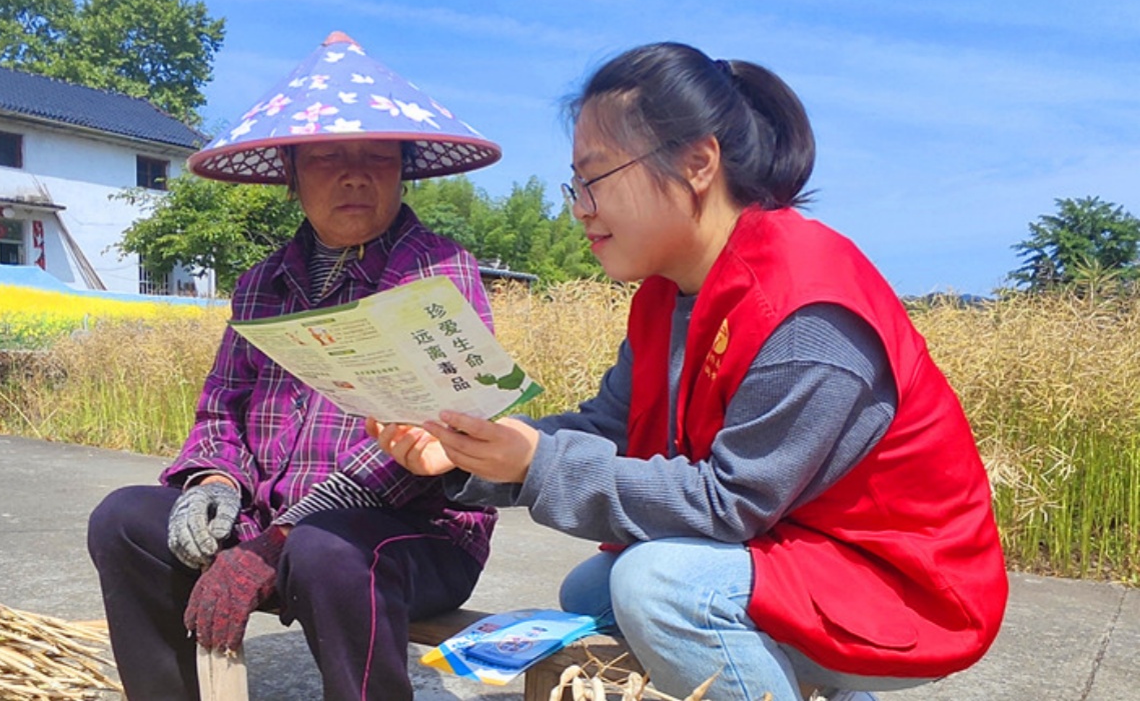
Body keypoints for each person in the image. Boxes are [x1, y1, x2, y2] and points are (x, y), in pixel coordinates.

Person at [372, 42, 1009, 701]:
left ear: (698, 162)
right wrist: (466, 451)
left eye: (595, 178)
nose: (579, 207)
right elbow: (608, 429)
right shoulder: (665, 297)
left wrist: (535, 465)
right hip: (801, 550)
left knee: (657, 590)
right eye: (574, 183)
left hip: (906, 584)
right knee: (592, 589)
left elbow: (729, 504)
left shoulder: (802, 309)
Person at [87, 31, 503, 701]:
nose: (355, 173)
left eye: (377, 156)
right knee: (125, 519)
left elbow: (428, 437)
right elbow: (222, 405)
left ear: (403, 169)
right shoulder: (262, 283)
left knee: (325, 551)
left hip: (410, 533)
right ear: (290, 173)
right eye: (329, 157)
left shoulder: (436, 269)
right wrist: (215, 481)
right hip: (268, 520)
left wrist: (278, 541)